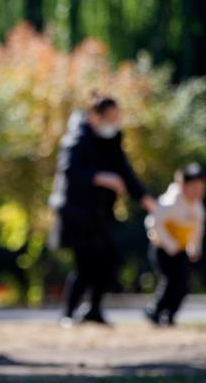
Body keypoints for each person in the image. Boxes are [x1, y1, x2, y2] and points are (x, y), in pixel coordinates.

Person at [49, 93, 156, 327]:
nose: (115, 122)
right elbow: (70, 170)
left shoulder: (111, 140)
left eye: (117, 117)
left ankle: (93, 310)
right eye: (110, 117)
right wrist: (101, 178)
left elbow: (125, 172)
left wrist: (146, 200)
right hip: (76, 212)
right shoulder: (76, 137)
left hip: (99, 213)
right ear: (95, 117)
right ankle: (67, 313)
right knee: (85, 263)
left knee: (108, 259)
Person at [144, 163, 206, 326]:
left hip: (180, 250)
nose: (197, 192)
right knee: (171, 281)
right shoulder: (169, 202)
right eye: (193, 187)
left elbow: (197, 229)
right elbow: (153, 223)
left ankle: (170, 315)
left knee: (184, 284)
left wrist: (195, 247)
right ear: (182, 185)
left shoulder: (198, 206)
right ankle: (155, 310)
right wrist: (170, 244)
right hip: (163, 250)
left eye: (201, 188)